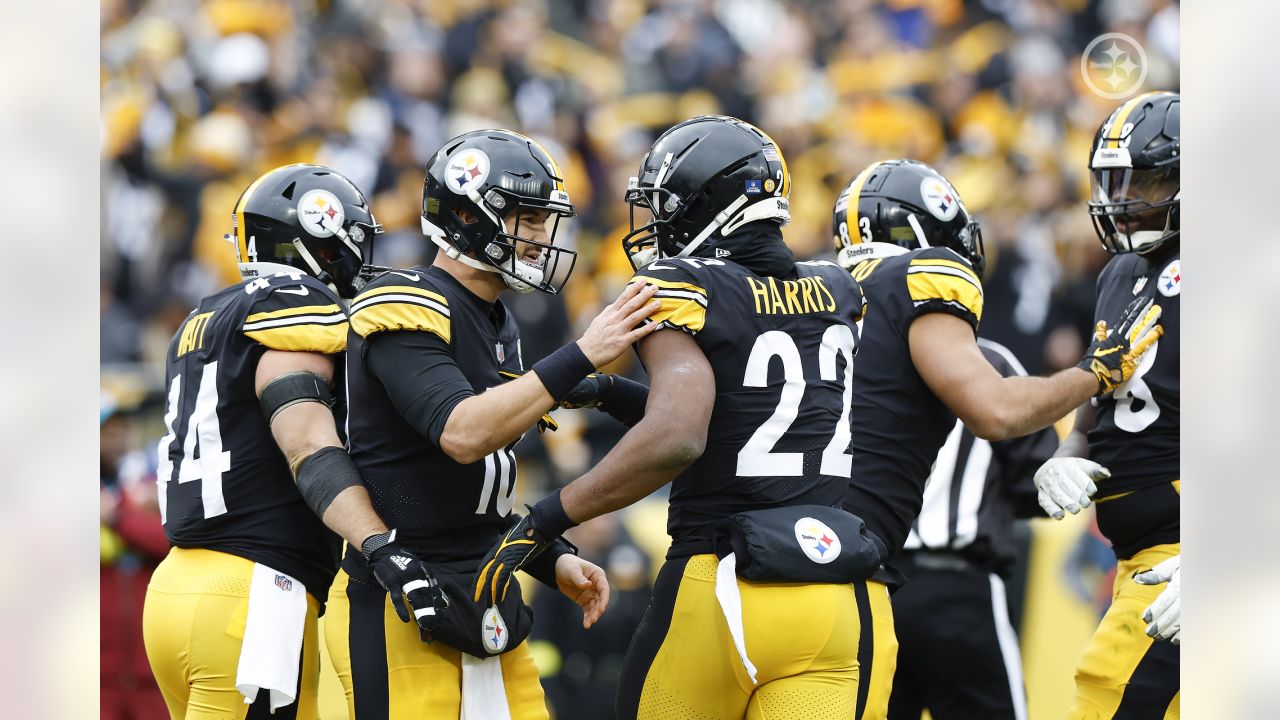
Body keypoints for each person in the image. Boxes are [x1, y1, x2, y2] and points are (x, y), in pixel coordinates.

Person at [475, 115, 885, 719]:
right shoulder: (836, 287)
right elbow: (740, 424)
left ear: (710, 205)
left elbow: (679, 435)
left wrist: (549, 515)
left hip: (725, 581)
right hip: (834, 591)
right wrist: (613, 393)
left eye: (669, 206)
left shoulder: (687, 285)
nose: (658, 224)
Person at [322, 129, 654, 720]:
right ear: (467, 217)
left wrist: (547, 559)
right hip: (404, 595)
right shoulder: (403, 301)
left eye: (541, 220)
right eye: (525, 218)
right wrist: (584, 354)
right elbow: (463, 433)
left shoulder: (496, 317)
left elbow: (476, 490)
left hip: (483, 588)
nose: (540, 237)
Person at [827, 157, 1163, 717]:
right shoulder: (978, 356)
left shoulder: (812, 329)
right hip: (952, 584)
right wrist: (1095, 374)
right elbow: (1014, 437)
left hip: (839, 580)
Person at [143, 164, 446, 720]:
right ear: (321, 236)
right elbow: (305, 438)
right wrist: (379, 544)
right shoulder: (292, 300)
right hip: (255, 591)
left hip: (176, 587)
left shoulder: (204, 314)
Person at [1033, 90, 1181, 719]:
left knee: (1108, 691)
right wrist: (1068, 449)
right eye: (1115, 182)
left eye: (1144, 182)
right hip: (1138, 557)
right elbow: (1108, 393)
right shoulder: (1119, 271)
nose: (1123, 200)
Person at [885, 339, 1057, 719]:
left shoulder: (864, 352)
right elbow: (1041, 481)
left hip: (874, 589)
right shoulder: (992, 360)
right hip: (957, 585)